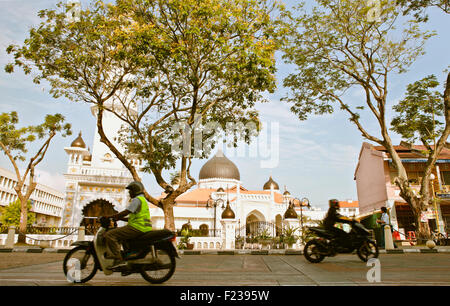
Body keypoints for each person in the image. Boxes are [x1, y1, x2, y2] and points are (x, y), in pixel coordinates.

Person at [103, 181, 152, 269]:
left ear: (135, 191)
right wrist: (119, 218)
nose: (129, 193)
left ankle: (118, 259)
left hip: (137, 227)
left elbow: (126, 212)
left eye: (130, 191)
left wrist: (110, 216)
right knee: (120, 235)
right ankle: (127, 256)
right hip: (143, 227)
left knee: (110, 235)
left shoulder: (137, 200)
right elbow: (133, 217)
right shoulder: (142, 200)